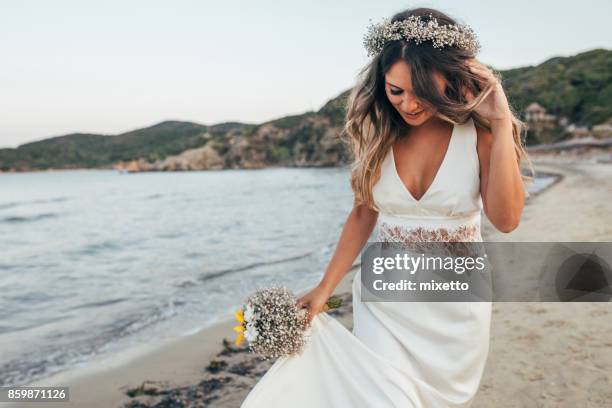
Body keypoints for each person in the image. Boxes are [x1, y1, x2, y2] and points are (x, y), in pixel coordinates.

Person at [241, 7, 530, 407]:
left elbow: (507, 220)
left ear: (449, 78)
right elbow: (363, 214)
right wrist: (326, 287)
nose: (408, 104)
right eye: (396, 91)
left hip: (454, 308)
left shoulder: (479, 136)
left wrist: (500, 123)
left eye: (420, 91)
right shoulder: (378, 136)